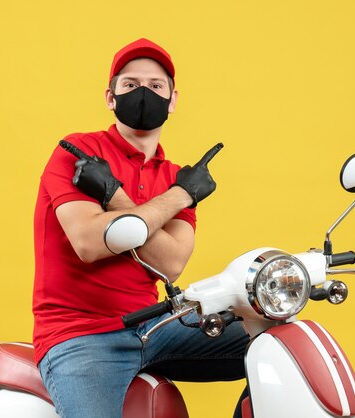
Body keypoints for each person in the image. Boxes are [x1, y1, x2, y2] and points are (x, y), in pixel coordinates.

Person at [33, 38, 248, 418]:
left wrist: (113, 197)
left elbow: (171, 264)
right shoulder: (78, 152)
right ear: (110, 96)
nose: (143, 93)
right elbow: (89, 242)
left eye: (155, 85)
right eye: (130, 85)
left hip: (156, 327)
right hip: (81, 336)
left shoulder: (174, 177)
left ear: (173, 99)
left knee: (278, 345)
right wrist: (177, 198)